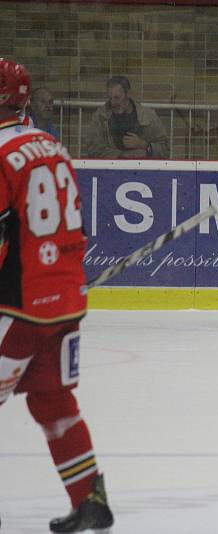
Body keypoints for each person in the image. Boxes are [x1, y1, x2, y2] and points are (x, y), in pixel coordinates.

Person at [0, 58, 114, 532]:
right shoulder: (50, 144)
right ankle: (89, 498)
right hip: (65, 300)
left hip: (20, 306)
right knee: (52, 401)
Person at [86, 75, 167, 158]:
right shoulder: (100, 117)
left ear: (128, 94)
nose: (113, 102)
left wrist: (144, 145)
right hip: (110, 169)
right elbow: (93, 150)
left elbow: (165, 150)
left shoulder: (148, 116)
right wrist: (123, 155)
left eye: (117, 98)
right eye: (110, 98)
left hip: (142, 168)